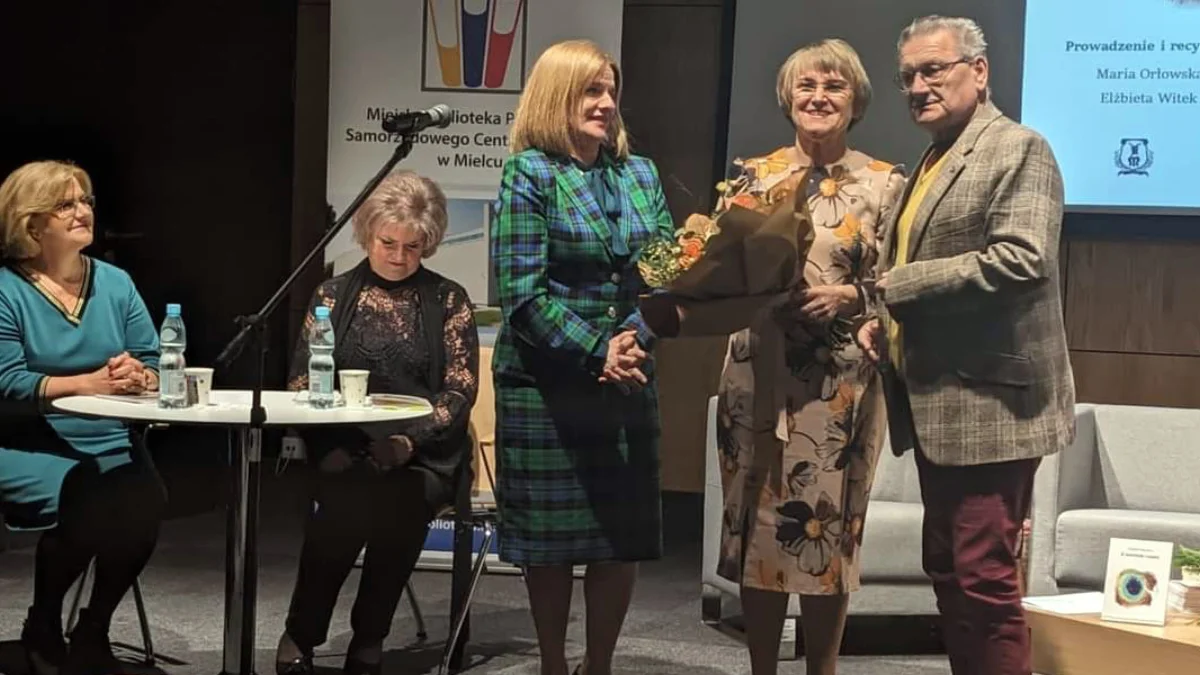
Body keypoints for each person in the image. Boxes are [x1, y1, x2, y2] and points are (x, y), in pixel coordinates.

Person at [648, 39, 905, 675]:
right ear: (787, 97)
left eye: (834, 86)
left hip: (838, 387)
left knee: (827, 534)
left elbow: (904, 280)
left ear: (856, 101)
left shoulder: (885, 183)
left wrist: (850, 295)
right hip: (756, 374)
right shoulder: (750, 178)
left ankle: (822, 669)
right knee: (758, 530)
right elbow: (716, 268)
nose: (818, 97)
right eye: (806, 86)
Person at [856, 16, 1074, 675]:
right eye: (908, 77)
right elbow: (908, 264)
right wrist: (882, 322)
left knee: (983, 579)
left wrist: (900, 286)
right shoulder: (932, 159)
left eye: (933, 70)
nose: (918, 86)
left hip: (993, 408)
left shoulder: (1019, 148)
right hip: (938, 404)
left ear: (979, 72)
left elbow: (1022, 258)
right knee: (950, 570)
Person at [490, 39, 675, 675]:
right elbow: (520, 295)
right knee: (550, 543)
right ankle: (552, 663)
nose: (606, 103)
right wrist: (599, 350)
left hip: (628, 374)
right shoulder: (529, 173)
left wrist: (633, 340)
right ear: (556, 97)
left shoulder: (640, 174)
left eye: (610, 90)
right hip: (546, 382)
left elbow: (668, 276)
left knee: (617, 539)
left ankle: (599, 664)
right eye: (591, 90)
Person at [274, 170, 479, 675]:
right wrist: (332, 447)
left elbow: (459, 392)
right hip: (345, 445)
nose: (399, 256)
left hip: (423, 453)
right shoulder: (332, 296)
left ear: (428, 244)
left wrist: (408, 443)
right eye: (388, 243)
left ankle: (370, 635)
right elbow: (302, 381)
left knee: (398, 504)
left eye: (413, 246)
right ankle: (303, 631)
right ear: (367, 235)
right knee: (344, 501)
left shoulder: (448, 300)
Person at [0, 160, 166, 675]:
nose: (83, 212)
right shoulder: (6, 290)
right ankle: (44, 623)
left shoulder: (115, 283)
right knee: (90, 496)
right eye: (65, 204)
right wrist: (86, 384)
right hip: (25, 439)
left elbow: (155, 360)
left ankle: (93, 627)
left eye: (85, 201)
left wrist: (140, 375)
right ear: (31, 223)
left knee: (146, 499)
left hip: (108, 434)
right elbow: (7, 381)